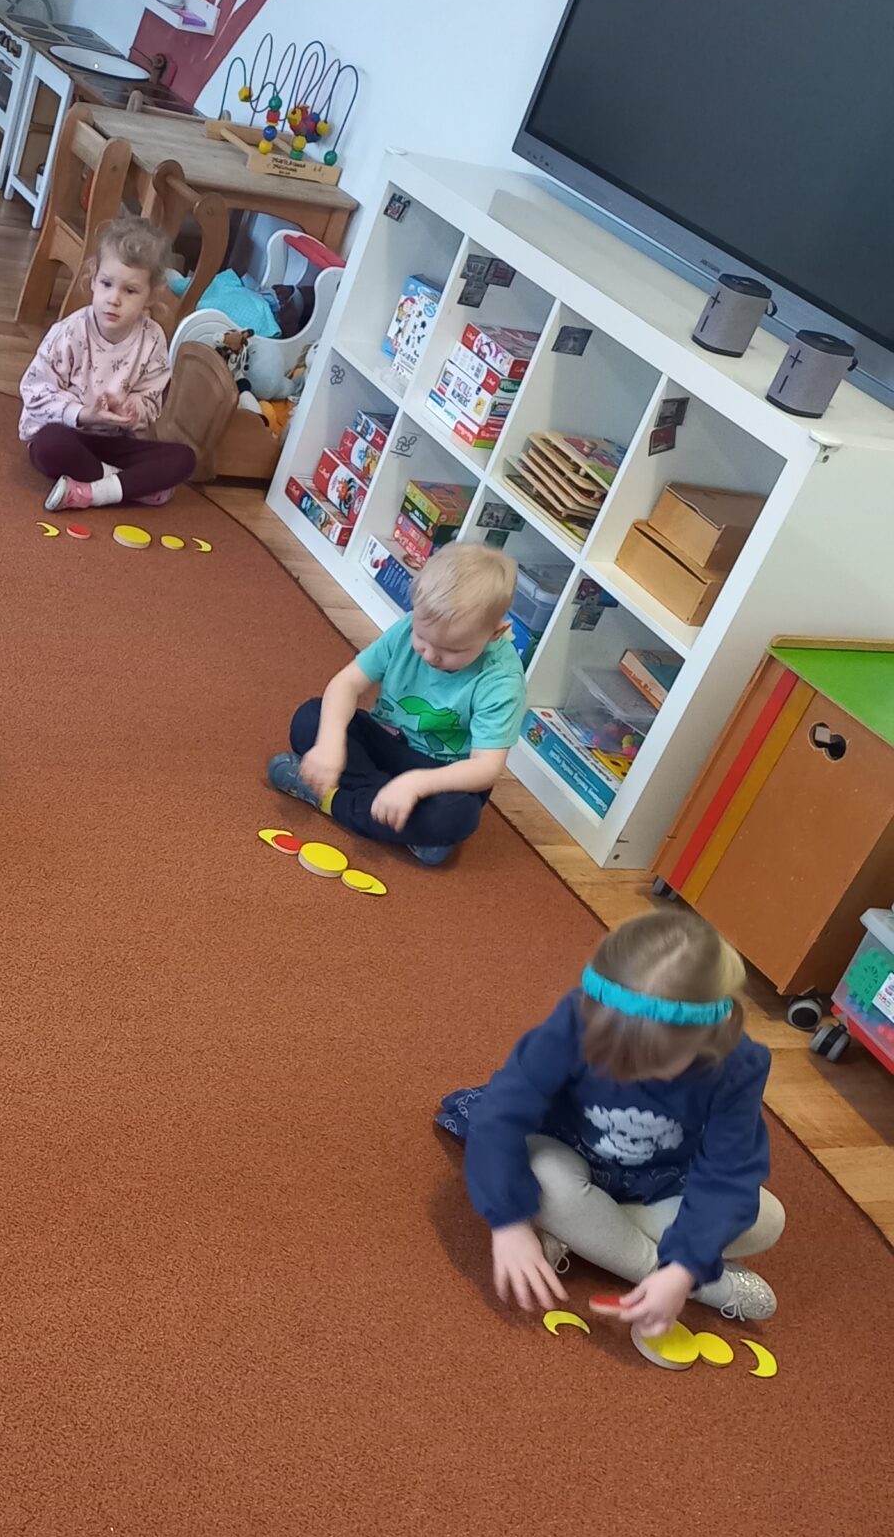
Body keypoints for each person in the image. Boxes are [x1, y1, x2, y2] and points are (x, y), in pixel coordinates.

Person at [438, 907, 783, 1349]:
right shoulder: (574, 1022)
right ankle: (691, 1281)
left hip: (659, 1180)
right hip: (568, 1155)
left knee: (766, 1219)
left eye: (660, 1065)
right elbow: (500, 1116)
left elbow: (729, 1174)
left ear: (715, 1036)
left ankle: (576, 1234)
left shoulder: (738, 1065)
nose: (636, 1072)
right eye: (618, 1055)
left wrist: (681, 1271)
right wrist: (508, 1224)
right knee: (542, 1179)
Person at [268, 542, 524, 865]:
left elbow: (485, 769)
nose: (430, 655)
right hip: (384, 740)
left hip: (437, 772)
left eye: (452, 650)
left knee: (456, 815)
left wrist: (414, 785)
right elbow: (347, 683)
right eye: (422, 638)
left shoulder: (502, 680)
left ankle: (330, 800)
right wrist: (330, 745)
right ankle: (397, 822)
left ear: (496, 633)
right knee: (311, 718)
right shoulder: (407, 628)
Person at [19, 215, 194, 511]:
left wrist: (131, 409)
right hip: (69, 434)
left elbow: (151, 401)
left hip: (114, 443)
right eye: (107, 284)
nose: (114, 299)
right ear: (93, 279)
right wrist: (85, 414)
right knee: (49, 445)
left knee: (184, 459)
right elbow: (34, 392)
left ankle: (91, 492)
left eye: (130, 290)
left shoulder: (152, 339)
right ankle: (123, 486)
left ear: (151, 295)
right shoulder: (70, 332)